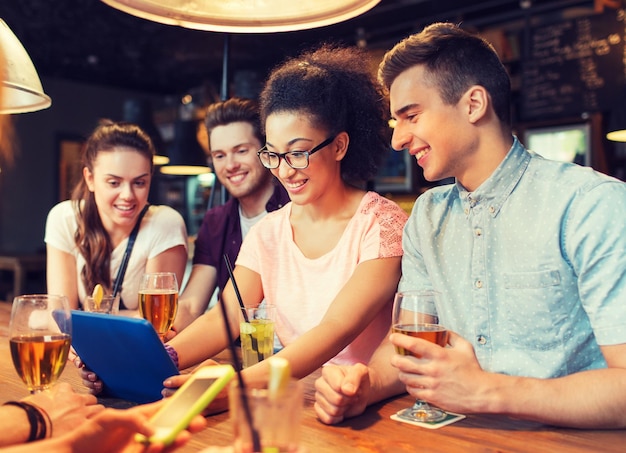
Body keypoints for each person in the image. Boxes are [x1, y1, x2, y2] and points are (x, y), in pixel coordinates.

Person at [313, 22, 626, 429]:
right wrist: (364, 386)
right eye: (396, 122)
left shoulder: (590, 204)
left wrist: (485, 390)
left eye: (411, 116)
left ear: (474, 104)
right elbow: (410, 346)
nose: (398, 140)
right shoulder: (426, 216)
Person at [160, 44, 407, 410]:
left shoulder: (382, 224)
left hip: (363, 404)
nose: (284, 170)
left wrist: (233, 389)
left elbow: (334, 328)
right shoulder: (268, 231)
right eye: (273, 154)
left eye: (298, 152)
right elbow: (227, 316)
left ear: (339, 146)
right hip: (294, 396)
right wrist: (163, 359)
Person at [44, 120, 188, 315]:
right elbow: (61, 315)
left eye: (139, 182)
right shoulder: (65, 219)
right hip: (79, 345)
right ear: (90, 179)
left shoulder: (164, 223)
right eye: (114, 182)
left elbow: (155, 321)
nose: (128, 195)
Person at [173, 97, 289, 333]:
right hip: (239, 353)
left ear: (266, 151)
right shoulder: (216, 222)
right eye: (219, 155)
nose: (230, 165)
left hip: (300, 356)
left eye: (241, 151)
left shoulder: (295, 208)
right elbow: (192, 305)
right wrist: (158, 335)